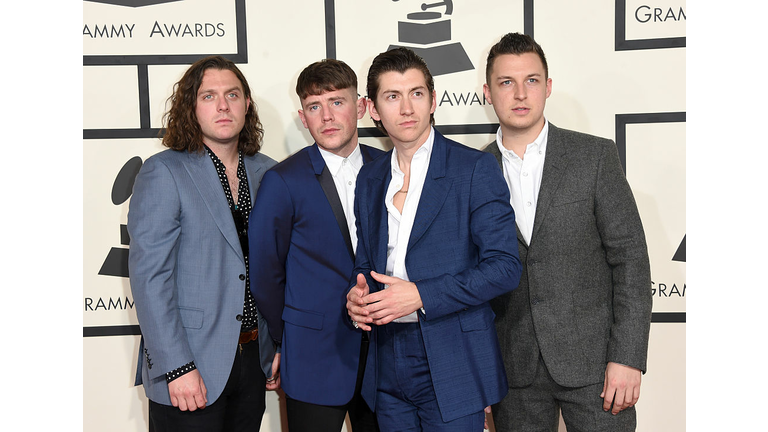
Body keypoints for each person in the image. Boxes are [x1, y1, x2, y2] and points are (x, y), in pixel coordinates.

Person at [481, 32, 653, 432]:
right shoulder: (472, 171)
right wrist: (480, 378)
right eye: (506, 82)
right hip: (512, 372)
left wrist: (627, 357)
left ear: (549, 87)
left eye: (532, 80)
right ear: (488, 92)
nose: (520, 93)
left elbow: (630, 260)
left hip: (597, 367)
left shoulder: (593, 157)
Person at [345, 47, 522, 431]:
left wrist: (422, 294)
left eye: (417, 93)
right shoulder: (369, 180)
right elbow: (366, 262)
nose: (406, 108)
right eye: (392, 96)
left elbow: (505, 267)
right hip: (387, 357)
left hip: (451, 354)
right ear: (374, 109)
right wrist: (357, 295)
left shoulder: (472, 168)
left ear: (433, 101)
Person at [127, 55, 277, 432]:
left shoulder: (269, 172)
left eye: (233, 94)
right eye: (209, 96)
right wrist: (177, 366)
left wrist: (275, 347)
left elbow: (277, 269)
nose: (223, 105)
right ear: (191, 107)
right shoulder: (164, 172)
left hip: (253, 360)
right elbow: (149, 278)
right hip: (190, 363)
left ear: (247, 104)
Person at [249, 59, 382, 432]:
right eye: (314, 106)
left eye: (337, 102)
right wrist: (287, 337)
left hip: (386, 359)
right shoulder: (283, 180)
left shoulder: (389, 168)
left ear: (361, 106)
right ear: (303, 117)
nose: (326, 116)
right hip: (313, 355)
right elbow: (265, 272)